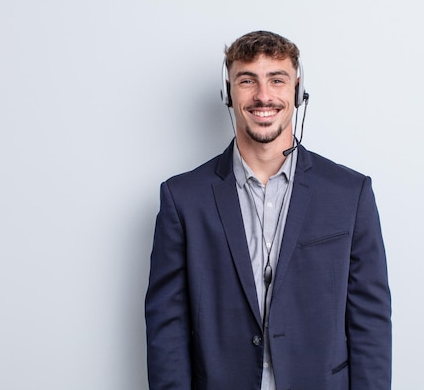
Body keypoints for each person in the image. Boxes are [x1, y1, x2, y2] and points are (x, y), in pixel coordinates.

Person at [145, 30, 392, 390]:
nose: (263, 95)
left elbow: (370, 321)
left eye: (277, 79)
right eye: (247, 80)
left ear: (298, 91)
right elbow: (167, 324)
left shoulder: (350, 194)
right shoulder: (182, 198)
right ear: (227, 92)